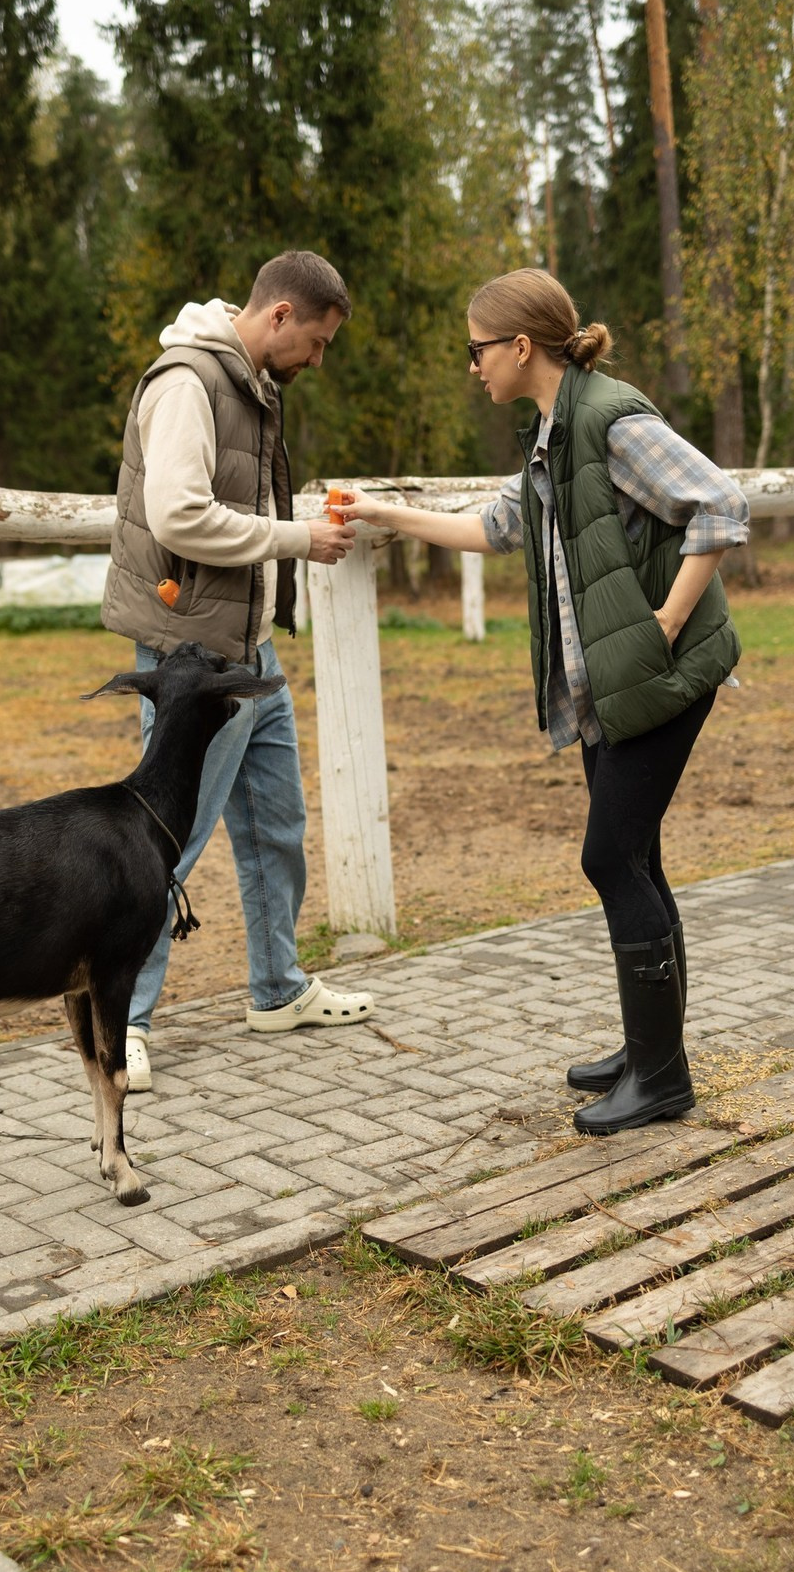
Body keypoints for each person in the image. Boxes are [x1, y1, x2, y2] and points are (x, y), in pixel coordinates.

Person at [340, 268, 748, 1136]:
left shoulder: (610, 419)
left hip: (659, 675)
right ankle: (651, 1055)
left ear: (521, 347)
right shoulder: (552, 435)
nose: (472, 366)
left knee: (610, 858)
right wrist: (386, 514)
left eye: (476, 349)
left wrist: (665, 624)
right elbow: (496, 528)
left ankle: (664, 1080)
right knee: (635, 858)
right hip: (616, 682)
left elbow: (720, 502)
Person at [102, 250, 374, 1090]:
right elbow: (179, 514)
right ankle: (121, 1023)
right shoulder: (188, 381)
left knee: (276, 827)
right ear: (281, 315)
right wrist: (299, 540)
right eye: (318, 342)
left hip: (248, 653)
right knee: (163, 842)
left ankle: (277, 988)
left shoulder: (247, 381)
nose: (318, 360)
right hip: (194, 661)